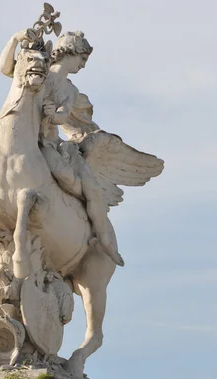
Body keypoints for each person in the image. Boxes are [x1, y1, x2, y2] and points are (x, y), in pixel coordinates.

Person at [40, 31, 125, 267]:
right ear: (71, 52)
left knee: (91, 188)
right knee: (75, 181)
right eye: (82, 59)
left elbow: (63, 116)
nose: (83, 65)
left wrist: (52, 115)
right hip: (40, 142)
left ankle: (104, 238)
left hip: (54, 145)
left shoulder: (70, 90)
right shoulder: (41, 75)